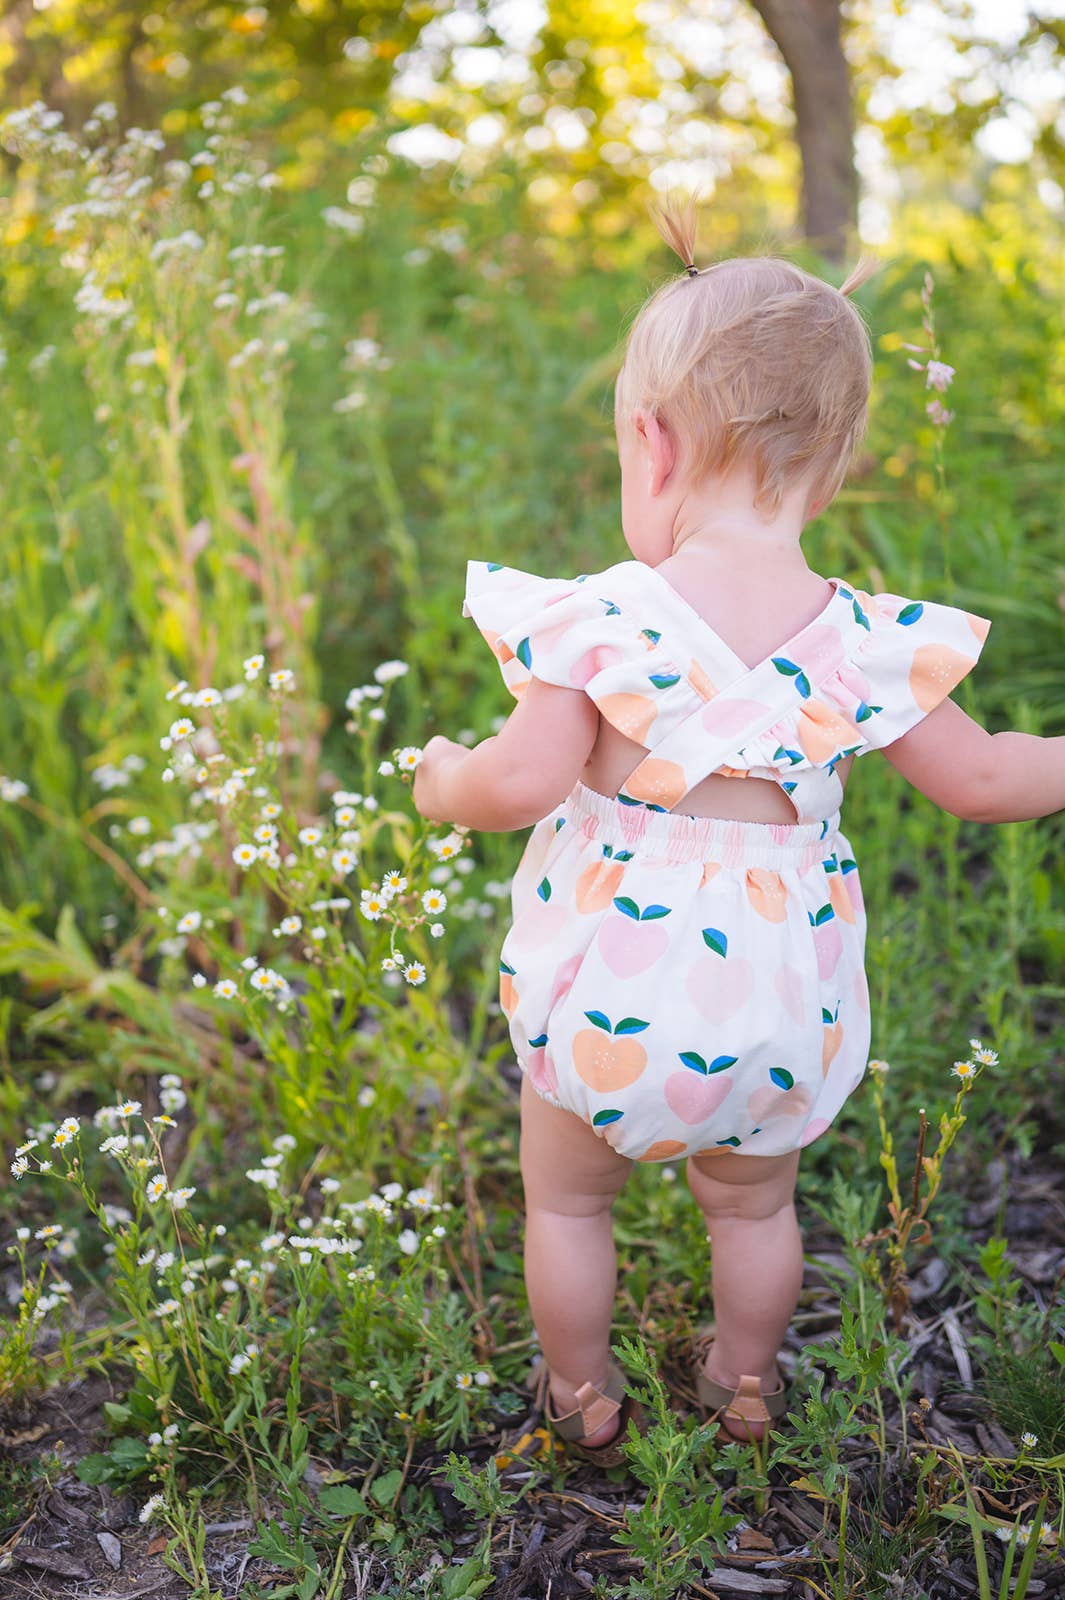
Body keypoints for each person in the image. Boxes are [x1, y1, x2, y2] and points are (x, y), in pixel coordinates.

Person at [412, 197, 1059, 1459]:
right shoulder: (865, 639)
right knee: (754, 1212)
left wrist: (443, 777)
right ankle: (744, 1382)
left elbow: (519, 783)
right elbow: (986, 779)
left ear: (648, 446)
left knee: (570, 1203)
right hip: (781, 1008)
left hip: (610, 1002)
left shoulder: (599, 619)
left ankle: (582, 1395)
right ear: (840, 458)